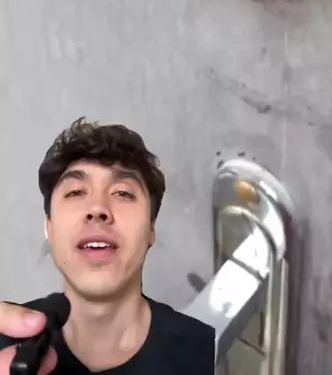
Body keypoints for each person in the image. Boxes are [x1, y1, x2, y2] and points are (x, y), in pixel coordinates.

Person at [0, 118, 215, 374]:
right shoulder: (5, 343)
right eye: (75, 192)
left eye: (123, 193)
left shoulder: (203, 350)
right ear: (50, 228)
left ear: (151, 229)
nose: (97, 208)